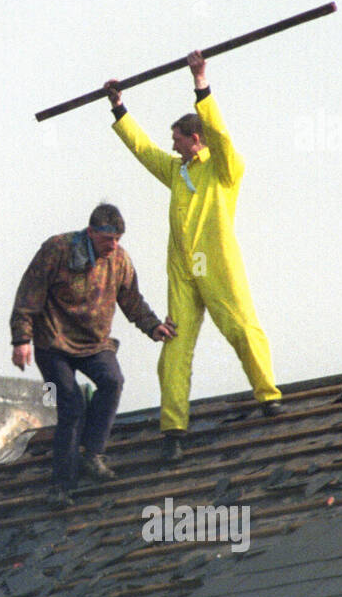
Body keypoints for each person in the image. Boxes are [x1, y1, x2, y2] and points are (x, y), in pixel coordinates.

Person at [104, 50, 282, 463]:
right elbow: (144, 149)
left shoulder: (223, 169)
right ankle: (173, 427)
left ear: (194, 139)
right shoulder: (176, 171)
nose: (172, 145)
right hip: (184, 270)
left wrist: (201, 82)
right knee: (175, 348)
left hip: (217, 263)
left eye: (178, 139)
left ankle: (268, 395)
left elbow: (220, 135)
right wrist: (118, 107)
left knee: (241, 327)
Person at [11, 203, 175, 505]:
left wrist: (152, 327)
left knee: (113, 381)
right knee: (71, 404)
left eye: (117, 240)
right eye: (106, 240)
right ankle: (61, 485)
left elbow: (131, 299)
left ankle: (93, 454)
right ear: (90, 232)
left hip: (95, 342)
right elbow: (28, 295)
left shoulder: (120, 260)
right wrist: (21, 339)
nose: (112, 246)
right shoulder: (57, 249)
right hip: (54, 341)